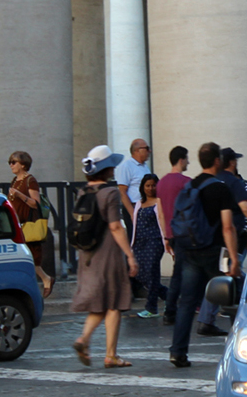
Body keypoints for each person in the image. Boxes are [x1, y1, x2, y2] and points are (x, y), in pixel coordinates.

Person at [169, 142, 241, 368]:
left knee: (187, 303)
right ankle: (243, 348)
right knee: (234, 298)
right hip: (214, 252)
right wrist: (234, 257)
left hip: (189, 250)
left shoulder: (190, 186)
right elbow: (228, 227)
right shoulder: (219, 188)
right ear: (217, 161)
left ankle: (178, 351)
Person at [71, 145, 140, 369]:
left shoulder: (84, 192)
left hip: (87, 253)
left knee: (101, 303)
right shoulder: (109, 193)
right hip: (108, 254)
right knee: (114, 302)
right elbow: (115, 227)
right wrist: (130, 256)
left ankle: (86, 340)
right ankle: (109, 354)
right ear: (107, 168)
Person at [193, 147, 247, 334]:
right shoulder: (235, 183)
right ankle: (237, 320)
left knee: (223, 277)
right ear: (232, 162)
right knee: (233, 276)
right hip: (231, 237)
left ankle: (210, 319)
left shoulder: (210, 182)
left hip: (210, 239)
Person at [8, 150, 54, 298]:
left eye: (13, 162)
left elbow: (35, 204)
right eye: (10, 162)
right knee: (21, 258)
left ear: (23, 164)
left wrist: (19, 194)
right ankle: (40, 281)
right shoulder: (15, 181)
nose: (11, 165)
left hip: (28, 224)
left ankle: (44, 280)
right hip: (17, 225)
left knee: (29, 258)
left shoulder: (30, 180)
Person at [157, 146, 191, 327]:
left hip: (171, 234)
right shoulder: (186, 182)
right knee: (180, 273)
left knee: (180, 271)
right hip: (186, 233)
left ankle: (173, 309)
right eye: (187, 159)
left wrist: (165, 236)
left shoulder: (161, 183)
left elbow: (161, 213)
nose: (188, 162)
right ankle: (171, 310)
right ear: (181, 160)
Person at [131, 173, 168, 318]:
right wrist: (132, 243)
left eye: (153, 185)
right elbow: (135, 224)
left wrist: (166, 239)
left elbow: (162, 221)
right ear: (143, 187)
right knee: (141, 274)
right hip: (139, 242)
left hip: (154, 241)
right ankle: (170, 296)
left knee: (152, 273)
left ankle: (151, 307)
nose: (150, 188)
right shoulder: (139, 203)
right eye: (147, 185)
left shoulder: (159, 202)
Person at [116, 138, 152, 233]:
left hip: (146, 207)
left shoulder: (145, 167)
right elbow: (122, 191)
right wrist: (132, 213)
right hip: (134, 207)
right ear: (137, 150)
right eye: (147, 148)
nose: (149, 151)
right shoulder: (126, 166)